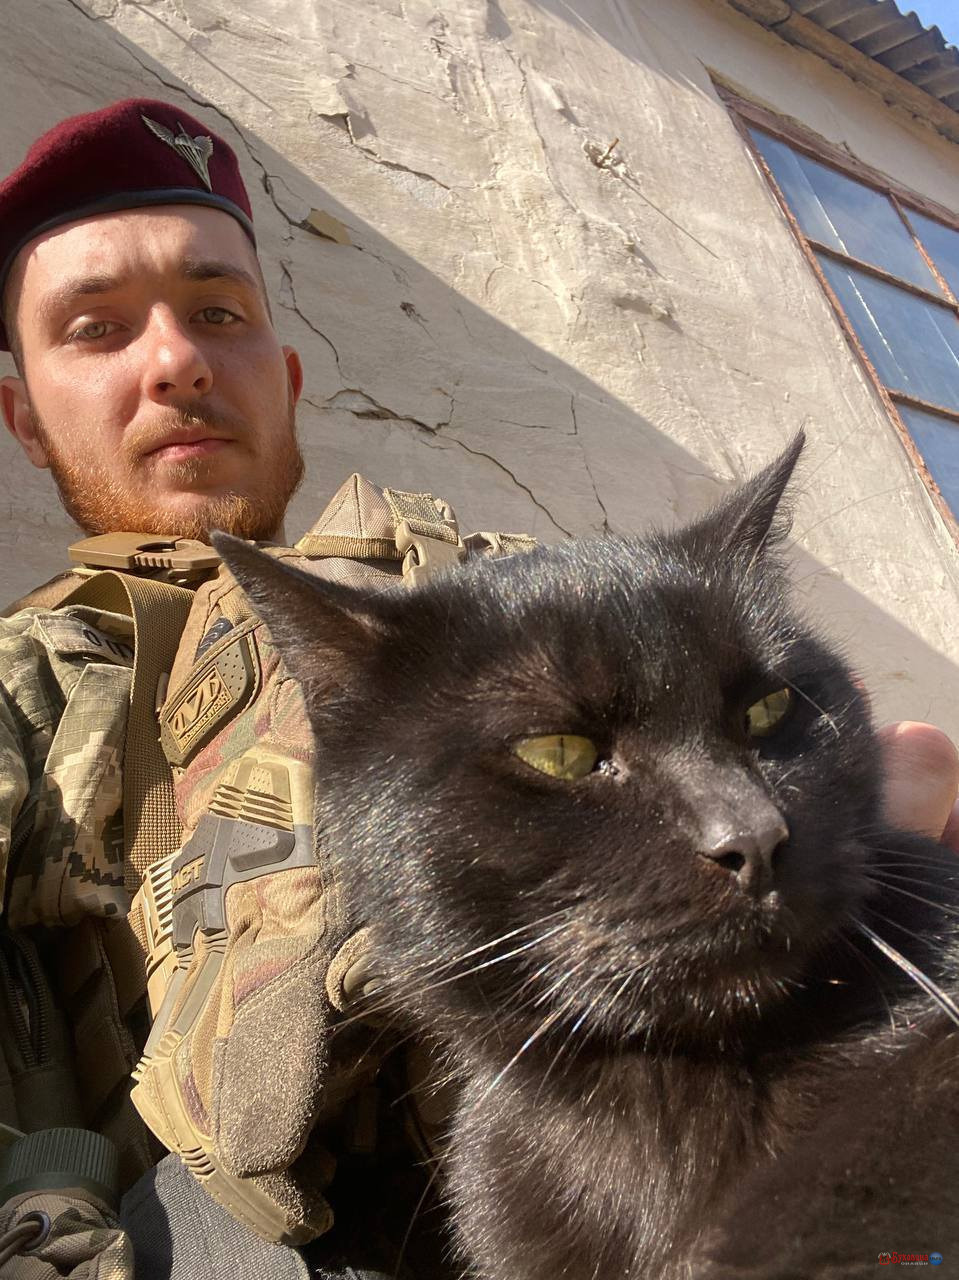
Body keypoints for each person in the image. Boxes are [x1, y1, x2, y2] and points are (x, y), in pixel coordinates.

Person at [0, 98, 956, 1280]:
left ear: (285, 374)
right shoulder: (28, 686)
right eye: (96, 328)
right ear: (23, 416)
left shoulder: (500, 587)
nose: (175, 361)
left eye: (218, 312)